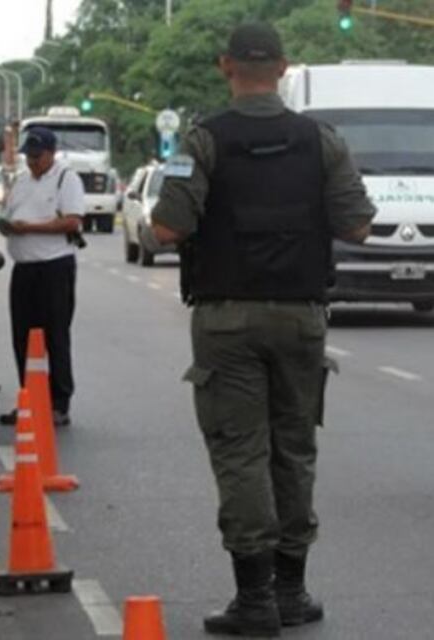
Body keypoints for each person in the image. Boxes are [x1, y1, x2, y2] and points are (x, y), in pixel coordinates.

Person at [147, 23, 375, 637]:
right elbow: (357, 227)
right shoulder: (321, 140)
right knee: (294, 449)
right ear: (281, 67)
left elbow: (166, 228)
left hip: (226, 320)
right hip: (302, 317)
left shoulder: (200, 142)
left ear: (227, 67)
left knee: (240, 453)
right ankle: (292, 591)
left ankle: (255, 601)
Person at [0, 127, 84, 428]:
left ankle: (59, 403)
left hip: (54, 267)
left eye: (37, 156)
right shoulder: (21, 181)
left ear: (51, 153)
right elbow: (10, 215)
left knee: (55, 336)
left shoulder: (65, 179)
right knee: (23, 338)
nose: (32, 162)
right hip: (24, 268)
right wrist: (8, 226)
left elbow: (72, 221)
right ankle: (30, 399)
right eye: (28, 156)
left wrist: (29, 228)